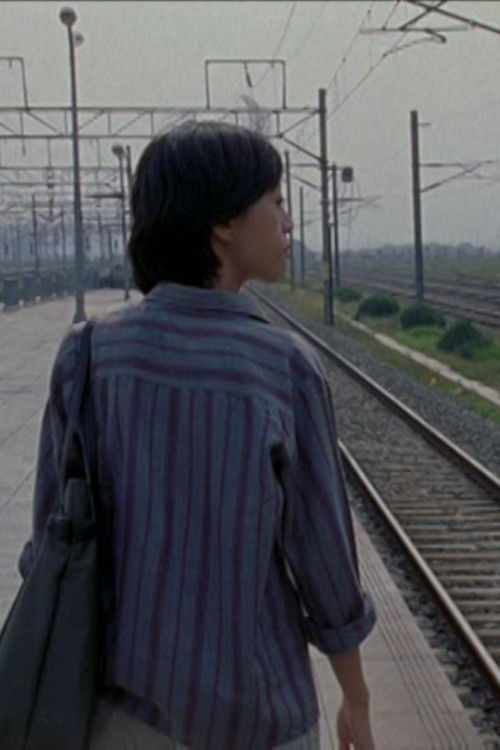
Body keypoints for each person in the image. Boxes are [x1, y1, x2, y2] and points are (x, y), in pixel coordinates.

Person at [21, 121, 376, 749]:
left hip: (123, 718)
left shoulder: (89, 356)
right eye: (276, 202)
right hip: (260, 720)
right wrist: (356, 695)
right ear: (223, 224)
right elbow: (324, 563)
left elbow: (51, 538)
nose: (288, 222)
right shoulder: (285, 369)